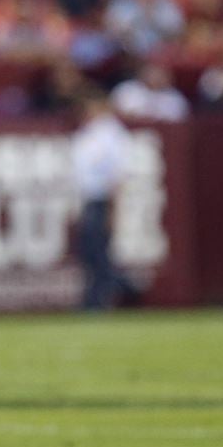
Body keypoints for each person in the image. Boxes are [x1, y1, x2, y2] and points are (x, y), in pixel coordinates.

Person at [70, 87, 139, 310]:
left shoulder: (112, 134)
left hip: (101, 200)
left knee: (99, 253)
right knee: (90, 253)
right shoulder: (88, 133)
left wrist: (113, 210)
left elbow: (116, 176)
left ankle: (106, 296)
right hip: (88, 199)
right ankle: (111, 292)